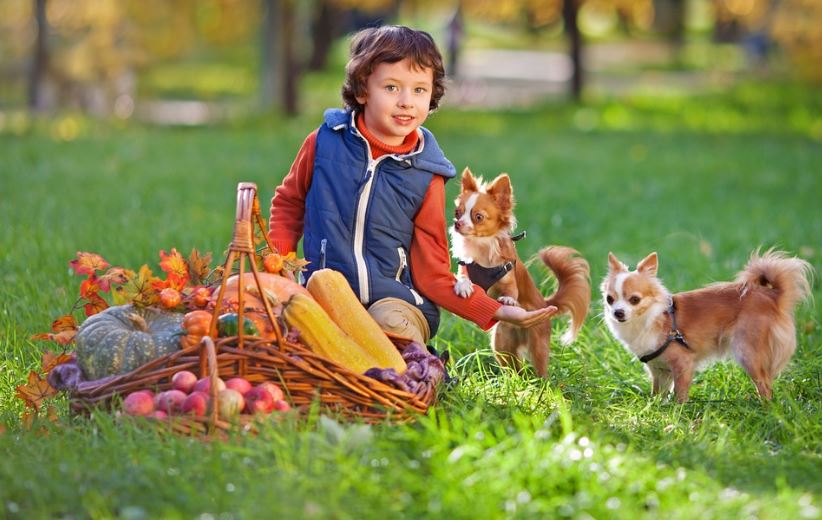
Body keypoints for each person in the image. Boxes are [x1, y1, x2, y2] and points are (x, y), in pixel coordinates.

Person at [268, 25, 556, 345]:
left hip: (396, 302)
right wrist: (279, 265)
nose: (406, 101)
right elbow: (289, 203)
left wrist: (494, 310)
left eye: (419, 90)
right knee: (296, 334)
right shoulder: (324, 143)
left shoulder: (426, 175)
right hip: (323, 294)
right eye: (391, 87)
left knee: (389, 328)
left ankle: (404, 371)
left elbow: (433, 273)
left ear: (432, 95)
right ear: (363, 90)